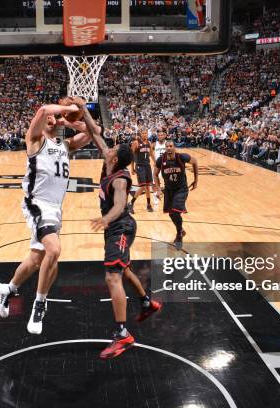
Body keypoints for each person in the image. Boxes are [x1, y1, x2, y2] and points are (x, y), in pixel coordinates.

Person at [0, 99, 93, 335]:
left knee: (37, 260)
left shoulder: (65, 145)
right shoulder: (35, 139)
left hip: (56, 209)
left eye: (56, 117)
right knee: (55, 250)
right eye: (52, 116)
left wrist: (75, 122)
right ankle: (39, 305)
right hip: (37, 204)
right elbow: (43, 110)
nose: (53, 117)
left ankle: (8, 289)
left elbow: (94, 133)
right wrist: (68, 110)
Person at [77, 98, 161, 359]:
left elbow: (121, 203)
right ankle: (147, 303)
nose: (109, 148)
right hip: (116, 227)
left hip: (120, 226)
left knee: (112, 276)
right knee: (122, 270)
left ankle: (123, 334)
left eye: (113, 148)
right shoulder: (108, 161)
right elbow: (95, 133)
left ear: (116, 157)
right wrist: (83, 109)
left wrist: (106, 218)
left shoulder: (121, 178)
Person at [153, 140, 199, 250]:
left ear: (174, 148)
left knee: (175, 211)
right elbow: (155, 174)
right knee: (171, 214)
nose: (168, 148)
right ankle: (181, 230)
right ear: (165, 148)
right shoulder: (161, 160)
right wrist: (158, 189)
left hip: (181, 189)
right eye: (167, 146)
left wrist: (196, 180)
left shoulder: (182, 157)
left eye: (171, 146)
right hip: (169, 190)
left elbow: (195, 161)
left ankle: (179, 235)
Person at [129, 130, 156, 213]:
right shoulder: (136, 143)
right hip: (139, 166)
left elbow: (151, 154)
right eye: (143, 133)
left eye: (146, 133)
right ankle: (131, 203)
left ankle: (148, 205)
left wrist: (156, 163)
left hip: (147, 166)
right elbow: (131, 156)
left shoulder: (149, 143)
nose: (145, 134)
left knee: (148, 186)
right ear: (140, 134)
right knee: (143, 186)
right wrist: (132, 168)